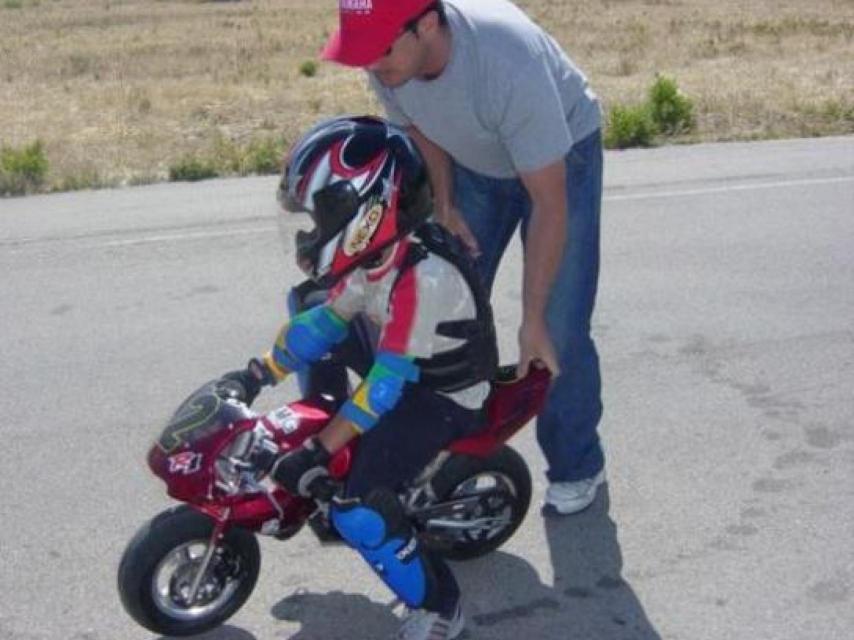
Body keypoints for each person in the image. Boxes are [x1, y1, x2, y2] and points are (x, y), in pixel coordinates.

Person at [320, 0, 606, 515]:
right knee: (436, 307)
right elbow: (421, 128)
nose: (372, 66)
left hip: (562, 160)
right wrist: (445, 204)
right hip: (475, 164)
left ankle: (577, 464)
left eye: (380, 50)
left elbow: (549, 201)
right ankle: (439, 451)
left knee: (555, 332)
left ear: (426, 22)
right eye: (361, 52)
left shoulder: (506, 63)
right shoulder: (391, 60)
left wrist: (532, 316)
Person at [227, 115, 498, 640]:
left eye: (320, 214)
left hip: (443, 394)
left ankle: (443, 607)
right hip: (406, 370)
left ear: (368, 210)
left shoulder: (425, 276)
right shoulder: (377, 257)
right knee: (310, 308)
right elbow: (326, 322)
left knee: (358, 513)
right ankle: (339, 450)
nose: (311, 230)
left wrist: (317, 451)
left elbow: (385, 387)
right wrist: (258, 372)